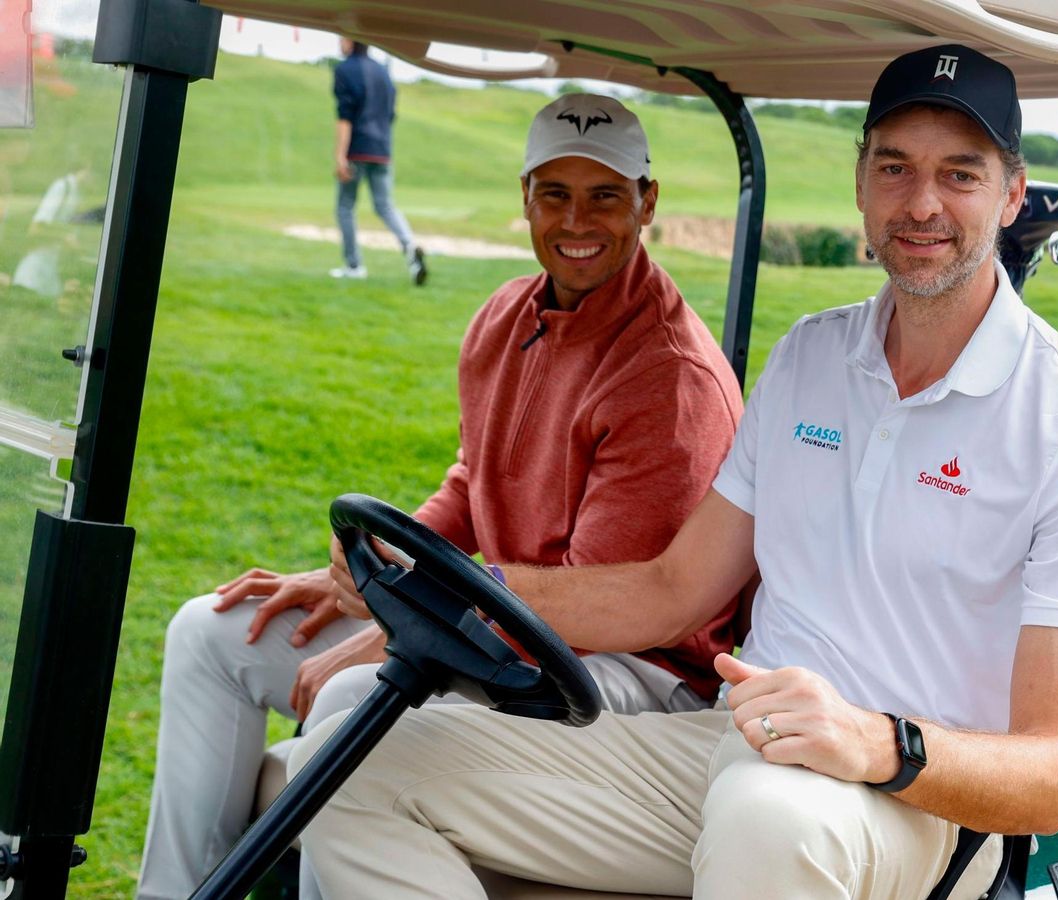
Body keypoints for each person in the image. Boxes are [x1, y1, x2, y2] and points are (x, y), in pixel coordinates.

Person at [297, 44, 1058, 900]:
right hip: (734, 743)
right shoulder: (812, 356)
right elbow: (670, 589)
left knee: (768, 816)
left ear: (1010, 194)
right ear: (861, 183)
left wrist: (875, 741)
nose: (921, 203)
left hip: (919, 800)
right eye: (895, 167)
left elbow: (1056, 774)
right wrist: (457, 588)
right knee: (350, 771)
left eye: (959, 175)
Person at [136, 94, 745, 900]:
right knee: (211, 632)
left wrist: (396, 637)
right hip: (502, 616)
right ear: (524, 195)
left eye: (605, 195)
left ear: (647, 203)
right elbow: (474, 476)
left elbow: (594, 608)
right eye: (555, 193)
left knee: (357, 696)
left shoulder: (667, 380)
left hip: (628, 672)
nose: (578, 220)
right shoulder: (504, 317)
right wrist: (376, 570)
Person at [329, 38, 426, 284]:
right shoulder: (383, 72)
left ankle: (354, 266)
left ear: (350, 40)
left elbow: (345, 117)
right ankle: (410, 247)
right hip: (382, 149)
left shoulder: (344, 70)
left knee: (345, 207)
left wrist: (340, 156)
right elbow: (391, 114)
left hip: (357, 150)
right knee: (385, 206)